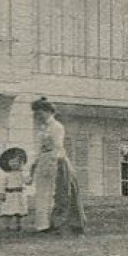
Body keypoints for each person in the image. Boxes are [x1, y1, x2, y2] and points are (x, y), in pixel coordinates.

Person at [29, 98, 85, 235]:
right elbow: (38, 148)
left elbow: (57, 146)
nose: (38, 116)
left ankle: (61, 224)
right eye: (36, 113)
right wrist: (35, 165)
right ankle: (43, 225)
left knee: (61, 192)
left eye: (40, 112)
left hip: (57, 160)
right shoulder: (42, 128)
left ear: (49, 111)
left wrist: (52, 162)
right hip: (44, 159)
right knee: (43, 193)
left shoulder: (57, 127)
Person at [0, 146, 30, 232]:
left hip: (19, 194)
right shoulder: (7, 175)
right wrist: (1, 193)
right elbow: (2, 185)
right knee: (7, 211)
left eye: (16, 161)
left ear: (21, 163)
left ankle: (18, 225)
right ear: (7, 163)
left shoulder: (22, 174)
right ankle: (6, 225)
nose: (14, 164)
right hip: (10, 195)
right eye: (11, 161)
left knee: (19, 211)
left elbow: (27, 181)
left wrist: (30, 176)